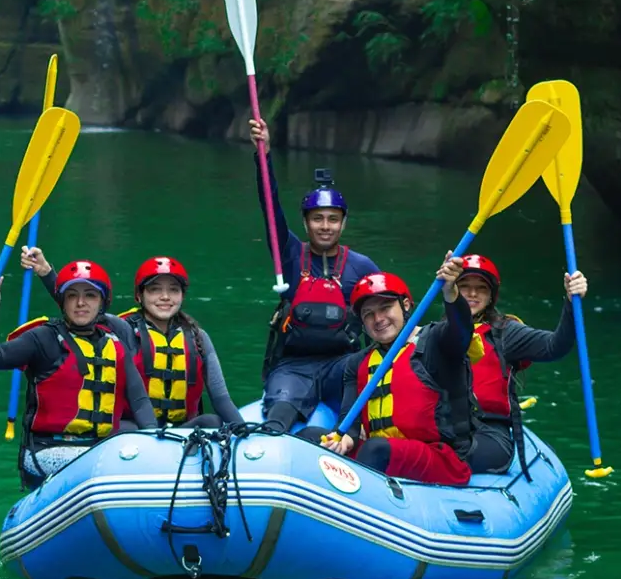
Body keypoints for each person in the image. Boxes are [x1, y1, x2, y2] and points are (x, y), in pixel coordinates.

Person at [247, 116, 382, 431]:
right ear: (306, 223)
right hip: (293, 366)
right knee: (279, 416)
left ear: (343, 223)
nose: (325, 226)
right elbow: (270, 208)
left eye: (333, 219)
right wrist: (262, 156)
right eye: (317, 218)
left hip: (344, 365)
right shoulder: (290, 255)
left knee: (356, 420)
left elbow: (390, 317)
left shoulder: (362, 267)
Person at [0, 258, 160, 489]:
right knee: (105, 465)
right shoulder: (42, 338)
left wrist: (156, 445)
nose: (81, 303)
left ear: (102, 302)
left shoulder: (116, 345)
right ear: (62, 301)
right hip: (46, 451)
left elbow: (140, 402)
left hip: (101, 448)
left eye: (90, 296)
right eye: (72, 295)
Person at [306, 267, 495, 486]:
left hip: (440, 458)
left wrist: (451, 293)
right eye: (368, 314)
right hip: (383, 453)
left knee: (375, 447)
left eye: (386, 308)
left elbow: (461, 330)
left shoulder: (436, 341)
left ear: (405, 306)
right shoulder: (357, 363)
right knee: (311, 436)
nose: (378, 319)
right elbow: (350, 421)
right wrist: (344, 440)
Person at [23, 251, 245, 429]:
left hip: (184, 429)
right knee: (118, 428)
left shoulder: (198, 337)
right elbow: (81, 308)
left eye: (173, 290)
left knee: (212, 422)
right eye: (155, 290)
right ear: (140, 296)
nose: (165, 297)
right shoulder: (124, 329)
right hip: (135, 428)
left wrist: (243, 431)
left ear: (182, 296)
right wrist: (46, 272)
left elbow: (220, 397)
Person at [447, 254, 592, 471]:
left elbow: (555, 346)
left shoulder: (506, 332)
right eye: (465, 286)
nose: (473, 293)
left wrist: (572, 303)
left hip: (489, 432)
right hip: (446, 429)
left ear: (491, 296)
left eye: (482, 288)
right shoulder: (436, 334)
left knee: (446, 455)